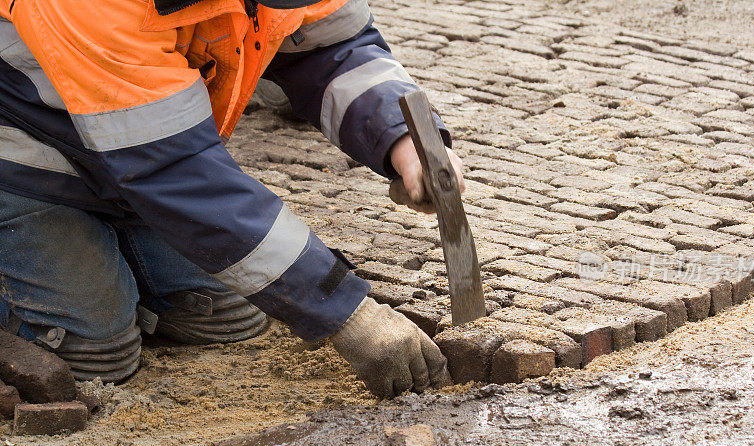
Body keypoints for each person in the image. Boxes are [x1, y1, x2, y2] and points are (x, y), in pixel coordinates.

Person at [0, 0, 463, 398]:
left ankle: (104, 245)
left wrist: (401, 141)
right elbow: (178, 172)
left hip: (135, 146)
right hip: (25, 158)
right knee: (95, 351)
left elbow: (331, 49)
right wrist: (347, 313)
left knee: (225, 318)